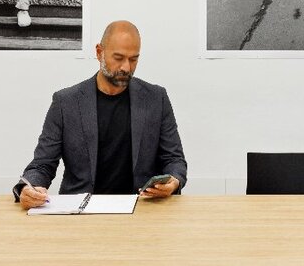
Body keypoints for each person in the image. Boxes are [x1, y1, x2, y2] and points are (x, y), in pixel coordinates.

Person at [14, 20, 187, 209]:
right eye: (118, 58)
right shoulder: (65, 102)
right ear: (99, 52)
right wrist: (27, 188)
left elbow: (174, 160)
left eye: (133, 59)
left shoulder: (156, 98)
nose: (126, 68)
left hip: (142, 210)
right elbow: (42, 164)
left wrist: (174, 181)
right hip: (81, 213)